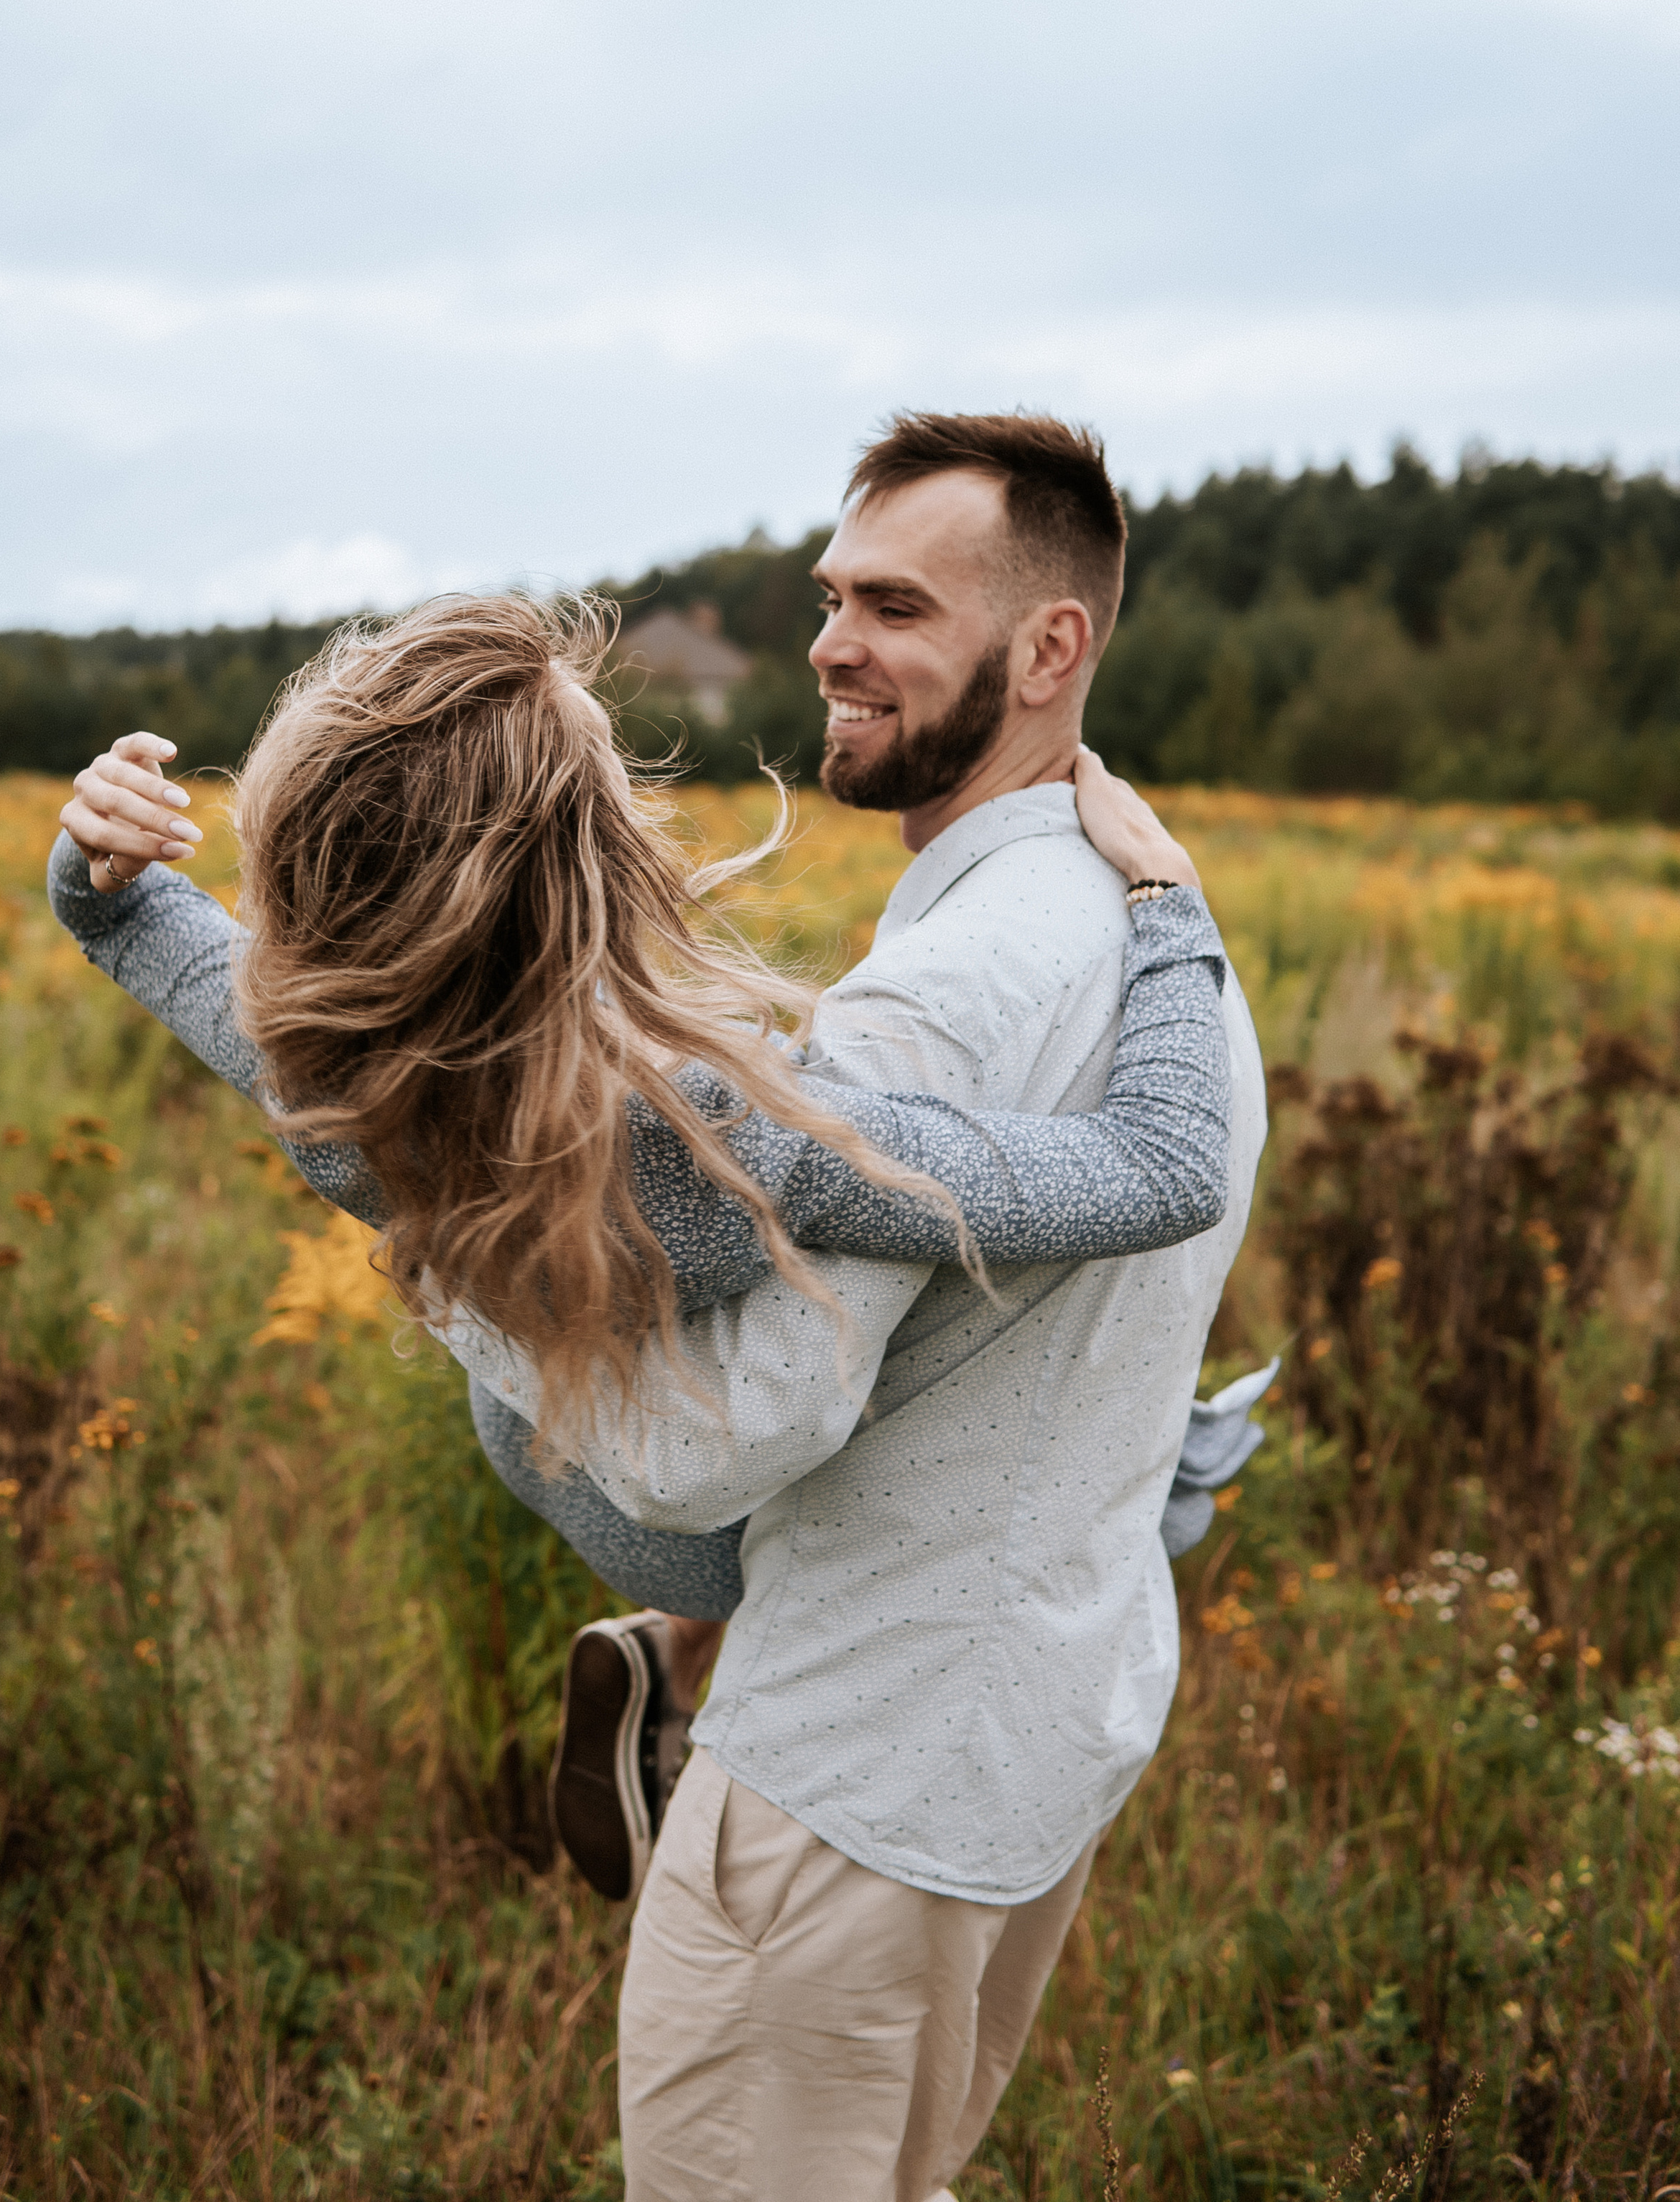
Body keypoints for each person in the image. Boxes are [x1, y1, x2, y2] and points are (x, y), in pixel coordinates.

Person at [445, 412, 1269, 2202]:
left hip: (846, 1787)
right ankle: (676, 1664)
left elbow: (733, 1434)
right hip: (1032, 1746)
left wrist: (468, 1301)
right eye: (833, 595)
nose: (832, 642)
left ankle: (678, 1663)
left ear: (1049, 647)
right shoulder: (1149, 930)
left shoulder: (944, 997)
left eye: (894, 604)